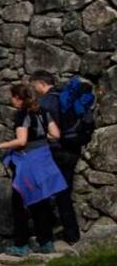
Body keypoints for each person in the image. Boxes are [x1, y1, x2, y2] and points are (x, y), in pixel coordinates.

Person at [0, 83, 66, 256]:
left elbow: (21, 141)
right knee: (41, 201)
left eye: (12, 96)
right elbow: (56, 134)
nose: (11, 99)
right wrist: (39, 138)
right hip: (43, 161)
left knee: (20, 202)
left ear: (18, 98)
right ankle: (46, 242)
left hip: (27, 164)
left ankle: (21, 245)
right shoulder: (43, 111)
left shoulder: (22, 114)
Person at [31, 70, 82, 245]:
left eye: (35, 85)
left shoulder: (44, 102)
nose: (34, 89)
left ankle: (47, 236)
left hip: (54, 151)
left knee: (46, 194)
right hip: (73, 150)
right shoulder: (66, 97)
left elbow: (40, 131)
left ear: (41, 83)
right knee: (64, 194)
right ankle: (72, 235)